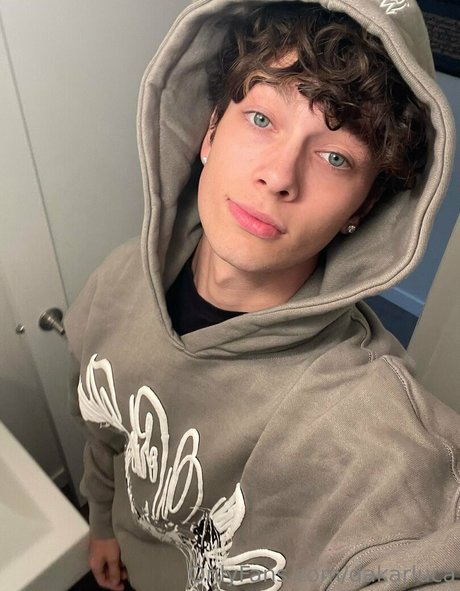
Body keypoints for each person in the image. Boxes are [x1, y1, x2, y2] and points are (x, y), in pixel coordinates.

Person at [64, 1, 460, 590]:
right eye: (261, 119)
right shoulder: (120, 280)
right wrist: (101, 522)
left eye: (334, 157)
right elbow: (104, 427)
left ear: (363, 207)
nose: (279, 176)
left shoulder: (358, 420)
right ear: (210, 131)